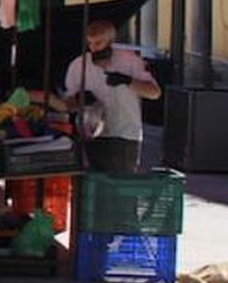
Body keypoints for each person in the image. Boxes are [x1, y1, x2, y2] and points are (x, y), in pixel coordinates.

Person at [64, 19, 161, 172]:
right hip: (92, 134)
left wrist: (128, 81)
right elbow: (68, 102)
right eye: (90, 43)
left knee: (122, 186)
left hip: (125, 134)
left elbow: (154, 93)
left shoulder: (130, 61)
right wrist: (79, 100)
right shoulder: (79, 65)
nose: (94, 48)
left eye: (99, 43)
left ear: (110, 41)